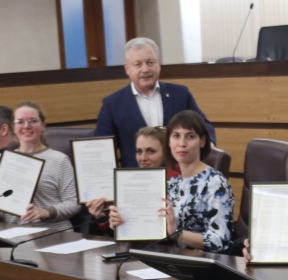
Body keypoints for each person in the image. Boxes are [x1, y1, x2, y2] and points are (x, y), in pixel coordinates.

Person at [107, 111, 234, 252]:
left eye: (190, 136)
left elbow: (220, 241)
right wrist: (123, 223)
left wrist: (177, 233)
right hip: (166, 257)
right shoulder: (170, 183)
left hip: (200, 262)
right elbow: (154, 231)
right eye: (176, 136)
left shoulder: (215, 182)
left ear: (202, 141)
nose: (182, 143)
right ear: (169, 142)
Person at [95, 37, 216, 168]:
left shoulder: (180, 94)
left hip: (178, 172)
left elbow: (203, 126)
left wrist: (209, 144)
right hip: (136, 176)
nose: (145, 69)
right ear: (127, 69)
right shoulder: (112, 104)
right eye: (137, 64)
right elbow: (102, 147)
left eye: (150, 62)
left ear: (159, 63)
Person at [0, 101, 79, 228]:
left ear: (43, 125)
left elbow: (74, 203)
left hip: (52, 233)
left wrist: (46, 212)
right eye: (20, 122)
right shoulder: (2, 159)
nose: (26, 126)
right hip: (11, 233)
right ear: (13, 127)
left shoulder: (59, 160)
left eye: (33, 121)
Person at [85, 125, 178, 220]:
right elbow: (118, 226)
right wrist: (101, 217)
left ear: (167, 152)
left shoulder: (178, 181)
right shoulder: (128, 182)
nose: (143, 158)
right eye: (139, 152)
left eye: (150, 151)